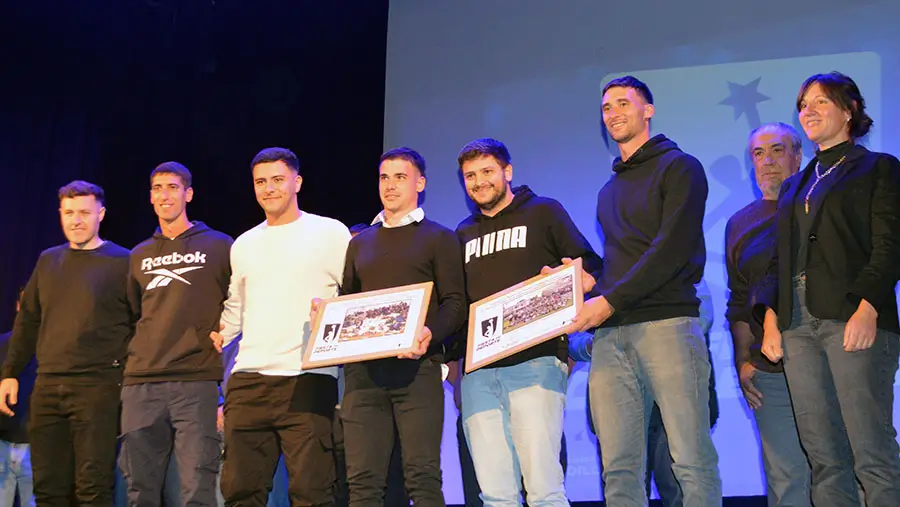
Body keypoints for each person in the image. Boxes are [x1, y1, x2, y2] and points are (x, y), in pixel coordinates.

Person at [567, 75, 721, 506]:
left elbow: (670, 250)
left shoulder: (680, 168)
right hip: (612, 335)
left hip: (669, 325)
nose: (613, 113)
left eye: (623, 103)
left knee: (689, 460)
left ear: (647, 110)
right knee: (618, 468)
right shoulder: (608, 191)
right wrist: (587, 283)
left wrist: (607, 301)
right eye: (606, 107)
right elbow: (625, 263)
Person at [755, 71, 900, 506]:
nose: (809, 111)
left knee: (870, 451)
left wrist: (868, 306)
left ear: (849, 110)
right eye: (804, 104)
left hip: (852, 315)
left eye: (820, 101)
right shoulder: (795, 184)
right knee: (824, 457)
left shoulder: (878, 168)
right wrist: (770, 319)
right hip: (797, 325)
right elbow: (779, 261)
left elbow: (891, 243)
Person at [454, 137, 602, 506]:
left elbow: (590, 266)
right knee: (494, 494)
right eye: (470, 175)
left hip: (536, 364)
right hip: (478, 374)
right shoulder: (462, 233)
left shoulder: (543, 212)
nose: (479, 181)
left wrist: (577, 280)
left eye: (487, 171)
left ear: (507, 171)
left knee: (544, 489)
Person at [210, 147, 350, 507]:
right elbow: (236, 308)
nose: (268, 188)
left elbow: (355, 295)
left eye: (277, 180)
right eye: (261, 182)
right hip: (248, 380)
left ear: (297, 182)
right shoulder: (244, 244)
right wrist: (217, 334)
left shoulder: (330, 233)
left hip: (307, 379)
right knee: (240, 491)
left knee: (312, 492)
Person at [326, 147, 466, 507]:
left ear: (420, 183)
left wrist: (429, 334)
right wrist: (327, 317)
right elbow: (349, 303)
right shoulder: (360, 244)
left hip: (417, 372)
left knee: (422, 478)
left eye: (400, 177)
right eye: (384, 177)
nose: (390, 185)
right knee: (363, 483)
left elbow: (455, 303)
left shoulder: (439, 237)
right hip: (364, 377)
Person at [0, 180, 132, 507]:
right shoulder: (48, 261)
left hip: (98, 387)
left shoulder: (123, 261)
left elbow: (139, 324)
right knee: (47, 488)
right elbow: (28, 321)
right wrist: (10, 372)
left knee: (93, 488)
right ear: (60, 214)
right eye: (69, 213)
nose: (76, 220)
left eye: (84, 212)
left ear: (101, 214)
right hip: (48, 386)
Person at [120, 162, 232, 507]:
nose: (164, 195)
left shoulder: (219, 246)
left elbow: (238, 305)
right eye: (157, 188)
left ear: (189, 194)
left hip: (196, 380)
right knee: (140, 488)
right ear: (150, 197)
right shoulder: (138, 255)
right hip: (142, 382)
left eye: (172, 187)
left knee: (197, 486)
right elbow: (131, 315)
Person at [567, 280, 717, 507]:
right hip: (617, 389)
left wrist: (648, 337)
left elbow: (700, 313)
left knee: (682, 482)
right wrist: (598, 343)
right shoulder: (594, 273)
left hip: (672, 388)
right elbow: (572, 333)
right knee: (621, 479)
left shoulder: (667, 264)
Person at [727, 123, 810, 506]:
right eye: (758, 154)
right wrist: (743, 361)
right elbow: (739, 300)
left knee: (835, 466)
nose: (768, 161)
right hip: (769, 368)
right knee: (785, 476)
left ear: (798, 156)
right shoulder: (739, 223)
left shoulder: (816, 205)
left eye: (777, 150)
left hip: (822, 357)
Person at [0, 288, 36, 507]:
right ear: (17, 306)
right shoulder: (2, 344)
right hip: (3, 442)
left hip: (37, 446)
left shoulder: (51, 349)